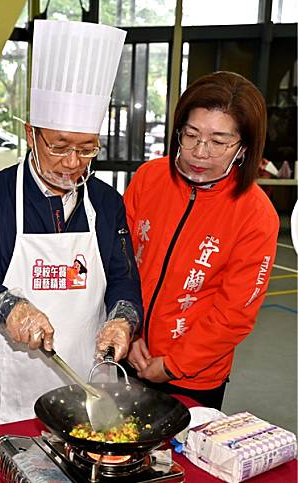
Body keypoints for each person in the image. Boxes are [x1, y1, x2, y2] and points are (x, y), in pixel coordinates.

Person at [0, 20, 143, 426]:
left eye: (86, 149)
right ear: (31, 134)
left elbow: (123, 277)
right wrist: (7, 306)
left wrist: (123, 317)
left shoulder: (105, 202)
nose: (72, 163)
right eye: (60, 146)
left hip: (87, 386)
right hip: (14, 394)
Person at [124, 71, 279, 410]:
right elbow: (119, 262)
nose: (200, 152)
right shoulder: (150, 178)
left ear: (243, 147)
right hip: (129, 354)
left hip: (194, 378)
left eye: (219, 141)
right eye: (191, 135)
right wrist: (129, 330)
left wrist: (172, 364)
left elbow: (234, 313)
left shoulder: (255, 213)